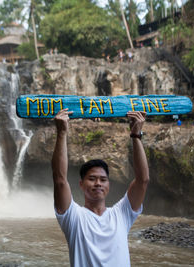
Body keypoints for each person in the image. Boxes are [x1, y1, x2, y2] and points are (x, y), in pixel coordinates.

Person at [52, 109, 149, 267]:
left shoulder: (122, 214)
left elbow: (143, 180)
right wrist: (62, 132)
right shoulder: (73, 217)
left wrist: (136, 135)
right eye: (92, 179)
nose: (98, 183)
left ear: (108, 185)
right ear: (81, 184)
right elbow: (59, 179)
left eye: (103, 180)